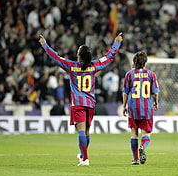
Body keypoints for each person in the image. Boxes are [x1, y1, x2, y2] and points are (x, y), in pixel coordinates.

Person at [39, 32, 123, 166]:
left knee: (81, 131)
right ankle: (83, 155)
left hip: (78, 103)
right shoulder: (94, 66)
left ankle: (85, 159)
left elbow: (56, 58)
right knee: (87, 131)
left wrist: (45, 46)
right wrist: (116, 43)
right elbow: (109, 57)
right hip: (90, 103)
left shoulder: (72, 66)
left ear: (79, 55)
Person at [122, 51, 160, 165]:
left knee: (134, 133)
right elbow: (155, 92)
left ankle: (135, 159)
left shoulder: (129, 74)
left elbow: (125, 92)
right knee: (146, 133)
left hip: (133, 106)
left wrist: (124, 106)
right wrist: (156, 103)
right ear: (145, 62)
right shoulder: (151, 74)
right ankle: (142, 147)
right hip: (146, 107)